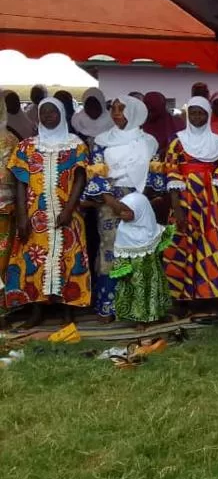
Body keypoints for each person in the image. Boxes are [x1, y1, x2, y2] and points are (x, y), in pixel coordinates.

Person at [4, 98, 90, 323]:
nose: (49, 116)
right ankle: (36, 310)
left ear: (62, 114)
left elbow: (80, 179)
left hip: (68, 213)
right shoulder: (27, 146)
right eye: (44, 112)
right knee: (35, 262)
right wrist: (23, 217)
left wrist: (69, 209)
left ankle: (68, 310)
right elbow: (21, 183)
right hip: (35, 216)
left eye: (53, 112)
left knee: (68, 259)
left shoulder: (76, 145)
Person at [83, 96, 165, 320]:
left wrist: (137, 204)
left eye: (122, 109)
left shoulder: (149, 141)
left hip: (140, 201)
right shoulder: (101, 140)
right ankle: (109, 307)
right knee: (110, 251)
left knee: (139, 252)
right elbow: (96, 173)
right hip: (109, 201)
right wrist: (114, 203)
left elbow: (155, 175)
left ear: (136, 112)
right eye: (114, 108)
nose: (116, 113)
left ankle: (138, 309)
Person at [163, 97, 218, 307]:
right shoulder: (177, 141)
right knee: (182, 244)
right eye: (194, 113)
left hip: (211, 202)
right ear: (188, 115)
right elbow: (171, 173)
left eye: (201, 113)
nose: (197, 117)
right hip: (184, 201)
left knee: (210, 245)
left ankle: (209, 295)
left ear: (208, 115)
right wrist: (176, 208)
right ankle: (182, 298)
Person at [107, 191, 173, 326]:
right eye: (121, 211)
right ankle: (140, 320)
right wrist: (123, 270)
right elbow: (120, 252)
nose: (122, 214)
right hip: (135, 275)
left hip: (153, 273)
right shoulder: (123, 230)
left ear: (141, 211)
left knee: (155, 290)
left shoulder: (151, 228)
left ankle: (157, 314)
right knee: (139, 293)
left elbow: (158, 249)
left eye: (126, 211)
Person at [0, 101, 19, 303]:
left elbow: (17, 175)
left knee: (3, 259)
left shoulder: (10, 140)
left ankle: (3, 308)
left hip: (5, 209)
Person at [142, 91, 184, 157]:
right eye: (148, 110)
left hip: (171, 163)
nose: (150, 114)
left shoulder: (178, 124)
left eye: (153, 110)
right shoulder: (138, 125)